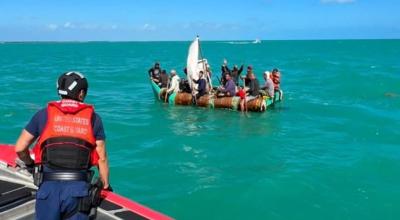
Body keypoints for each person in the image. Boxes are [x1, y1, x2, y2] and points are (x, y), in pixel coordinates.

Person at [15, 71, 111, 220]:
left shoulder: (44, 114)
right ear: (80, 94)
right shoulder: (94, 119)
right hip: (78, 192)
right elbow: (102, 158)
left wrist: (29, 163)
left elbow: (20, 148)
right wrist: (105, 185)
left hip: (48, 190)